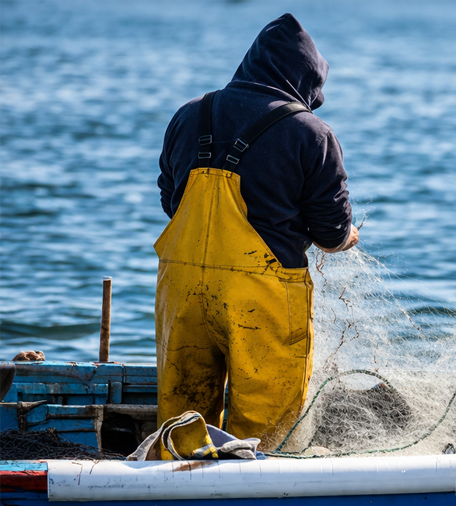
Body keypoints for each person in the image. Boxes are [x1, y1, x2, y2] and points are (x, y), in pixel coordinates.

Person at [155, 13, 358, 448]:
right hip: (262, 299)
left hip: (181, 287)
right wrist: (347, 237)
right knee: (267, 434)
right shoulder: (312, 134)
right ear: (305, 82)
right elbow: (330, 232)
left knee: (180, 420)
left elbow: (171, 201)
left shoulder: (189, 115)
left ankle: (174, 474)